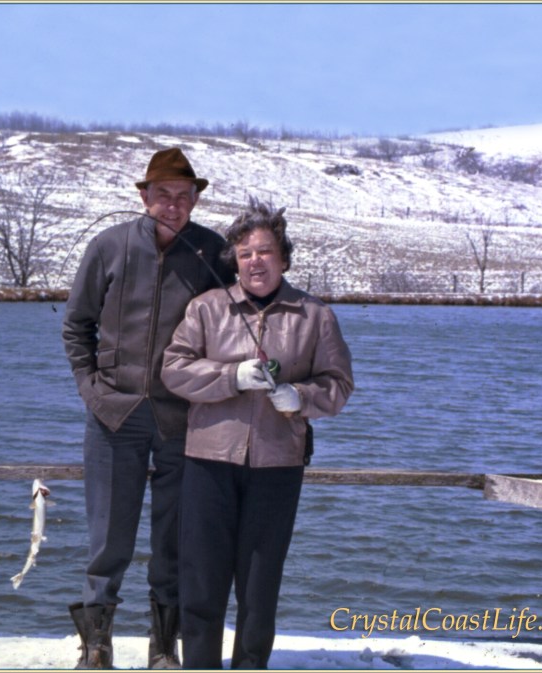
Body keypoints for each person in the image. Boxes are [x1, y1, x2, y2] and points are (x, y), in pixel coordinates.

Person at [161, 198, 354, 669]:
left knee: (259, 587)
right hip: (208, 461)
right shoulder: (207, 309)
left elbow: (339, 385)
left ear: (283, 258)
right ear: (235, 260)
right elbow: (173, 369)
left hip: (278, 466)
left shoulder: (315, 315)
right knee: (201, 583)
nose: (255, 261)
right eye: (245, 253)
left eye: (265, 251)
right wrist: (231, 377)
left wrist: (300, 397)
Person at [62, 148, 235, 669]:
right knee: (108, 539)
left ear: (195, 200)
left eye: (183, 196)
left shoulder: (212, 251)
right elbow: (76, 326)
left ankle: (164, 648)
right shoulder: (108, 246)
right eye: (163, 195)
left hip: (183, 419)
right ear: (144, 196)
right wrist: (92, 390)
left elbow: (234, 325)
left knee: (174, 540)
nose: (173, 205)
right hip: (113, 417)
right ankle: (96, 646)